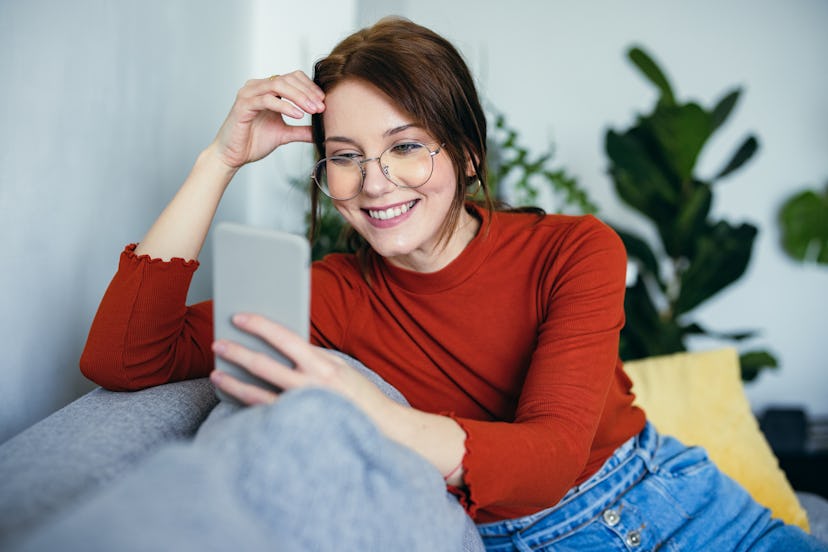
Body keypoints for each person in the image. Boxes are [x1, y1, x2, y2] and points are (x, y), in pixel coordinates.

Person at [76, 16, 825, 552]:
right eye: (344, 155)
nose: (376, 183)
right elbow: (124, 359)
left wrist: (367, 412)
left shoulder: (573, 250)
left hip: (689, 509)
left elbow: (548, 460)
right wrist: (220, 159)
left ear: (466, 155)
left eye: (406, 147)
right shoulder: (333, 293)